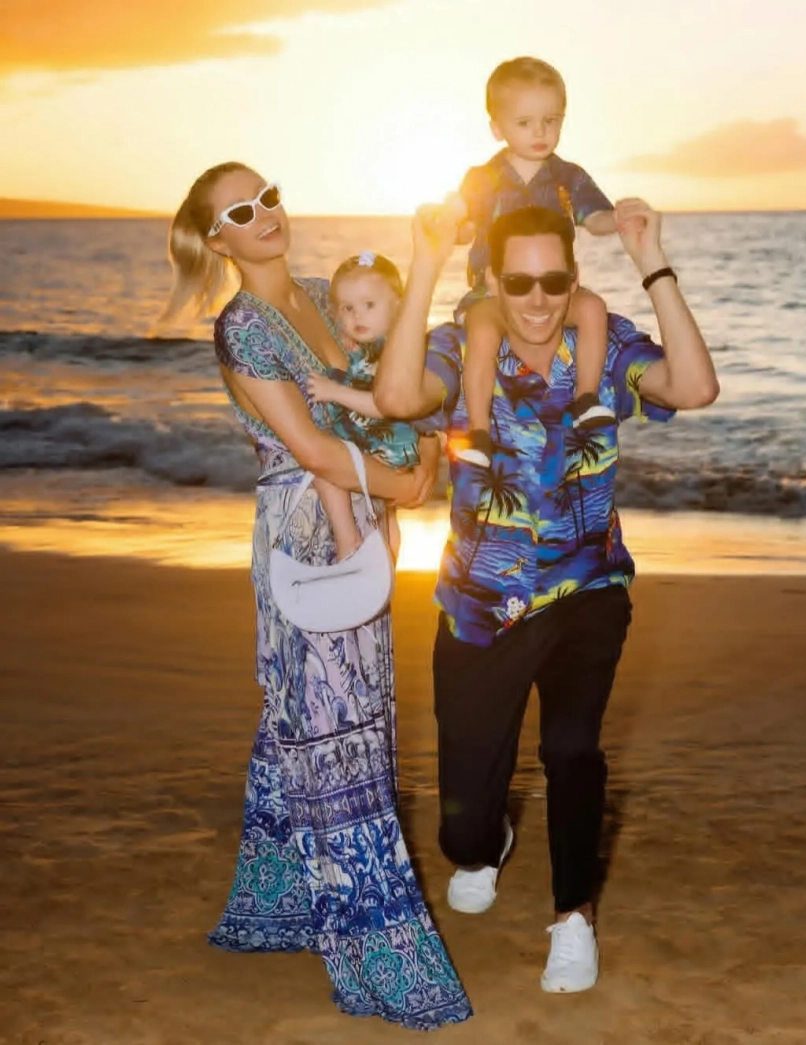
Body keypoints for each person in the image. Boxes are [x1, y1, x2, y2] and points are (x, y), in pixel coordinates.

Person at [373, 199, 719, 993]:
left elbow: (696, 385)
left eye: (554, 281)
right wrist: (424, 263)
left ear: (573, 278)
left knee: (572, 750)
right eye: (519, 281)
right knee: (463, 819)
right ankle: (486, 840)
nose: (537, 298)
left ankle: (573, 916)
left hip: (587, 588)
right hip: (479, 602)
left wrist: (650, 258)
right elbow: (395, 398)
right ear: (493, 280)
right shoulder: (460, 348)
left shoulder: (606, 343)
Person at [162, 162, 471, 1030]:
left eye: (269, 196)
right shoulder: (242, 325)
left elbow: (378, 394)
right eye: (241, 210)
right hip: (305, 537)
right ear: (217, 237)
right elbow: (309, 445)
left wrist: (418, 457)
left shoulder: (317, 296)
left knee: (323, 715)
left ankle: (278, 905)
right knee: (336, 734)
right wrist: (404, 486)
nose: (265, 213)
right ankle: (378, 954)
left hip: (362, 521)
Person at [454, 56, 620, 467]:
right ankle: (478, 430)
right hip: (493, 292)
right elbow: (463, 226)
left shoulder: (569, 177)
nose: (540, 132)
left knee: (593, 309)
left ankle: (586, 397)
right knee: (482, 332)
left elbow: (595, 216)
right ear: (498, 128)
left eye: (551, 120)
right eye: (525, 122)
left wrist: (619, 220)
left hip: (554, 291)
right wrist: (448, 226)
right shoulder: (482, 179)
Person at [305, 250, 419, 561]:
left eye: (369, 305)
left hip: (383, 442)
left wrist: (334, 391)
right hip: (387, 444)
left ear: (398, 306)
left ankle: (348, 538)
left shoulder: (390, 354)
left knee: (323, 468)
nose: (358, 316)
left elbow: (386, 406)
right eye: (348, 308)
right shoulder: (380, 348)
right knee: (386, 514)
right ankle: (387, 559)